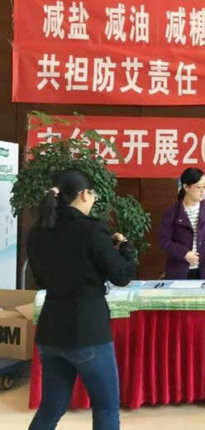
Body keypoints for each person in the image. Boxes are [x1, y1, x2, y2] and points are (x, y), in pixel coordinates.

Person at [27, 169, 137, 430]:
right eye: (93, 194)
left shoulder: (38, 231)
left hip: (51, 332)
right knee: (106, 407)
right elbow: (122, 275)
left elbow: (42, 280)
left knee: (51, 406)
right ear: (84, 194)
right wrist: (126, 249)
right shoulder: (91, 230)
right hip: (88, 332)